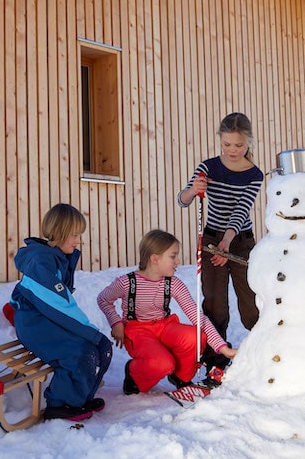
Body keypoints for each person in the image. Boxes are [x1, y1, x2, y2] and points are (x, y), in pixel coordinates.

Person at [96, 229, 237, 394]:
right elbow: (103, 299)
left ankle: (181, 377)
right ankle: (134, 375)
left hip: (164, 326)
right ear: (155, 258)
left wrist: (222, 348)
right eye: (173, 256)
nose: (178, 261)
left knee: (196, 337)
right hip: (138, 331)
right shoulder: (127, 282)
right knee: (163, 363)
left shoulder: (173, 283)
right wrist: (116, 322)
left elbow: (198, 317)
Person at [10, 203, 112, 421]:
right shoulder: (42, 262)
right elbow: (60, 304)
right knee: (80, 353)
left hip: (47, 319)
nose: (78, 241)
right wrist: (91, 333)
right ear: (58, 233)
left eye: (79, 235)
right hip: (34, 324)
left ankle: (80, 396)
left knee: (98, 349)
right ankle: (60, 404)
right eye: (74, 235)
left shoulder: (57, 258)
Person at [177, 112, 263, 371]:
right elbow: (183, 200)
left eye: (238, 145)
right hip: (212, 238)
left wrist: (228, 243)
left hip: (240, 241)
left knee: (250, 299)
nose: (232, 150)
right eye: (226, 144)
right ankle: (216, 358)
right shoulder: (208, 167)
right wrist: (194, 189)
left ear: (248, 142)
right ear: (220, 141)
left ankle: (263, 350)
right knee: (215, 301)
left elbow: (241, 211)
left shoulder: (254, 175)